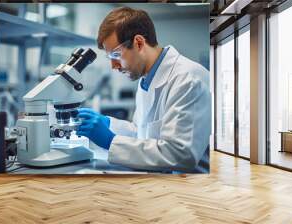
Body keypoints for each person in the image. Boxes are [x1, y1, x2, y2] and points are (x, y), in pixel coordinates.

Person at [76, 7, 211, 173]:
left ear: (138, 43)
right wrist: (110, 124)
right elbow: (143, 134)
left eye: (116, 55)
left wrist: (111, 141)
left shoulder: (188, 79)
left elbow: (180, 154)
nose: (113, 66)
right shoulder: (146, 79)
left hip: (190, 190)